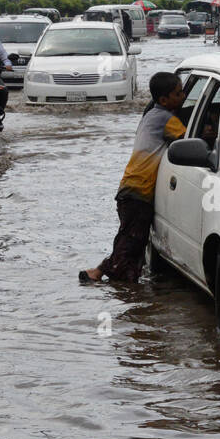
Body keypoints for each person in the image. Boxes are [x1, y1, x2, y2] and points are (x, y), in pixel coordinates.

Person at [80, 72, 187, 284]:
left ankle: (105, 277)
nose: (184, 96)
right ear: (164, 100)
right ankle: (117, 285)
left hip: (130, 189)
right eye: (178, 93)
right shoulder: (167, 119)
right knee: (132, 244)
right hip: (139, 192)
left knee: (130, 240)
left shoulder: (151, 115)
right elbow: (189, 138)